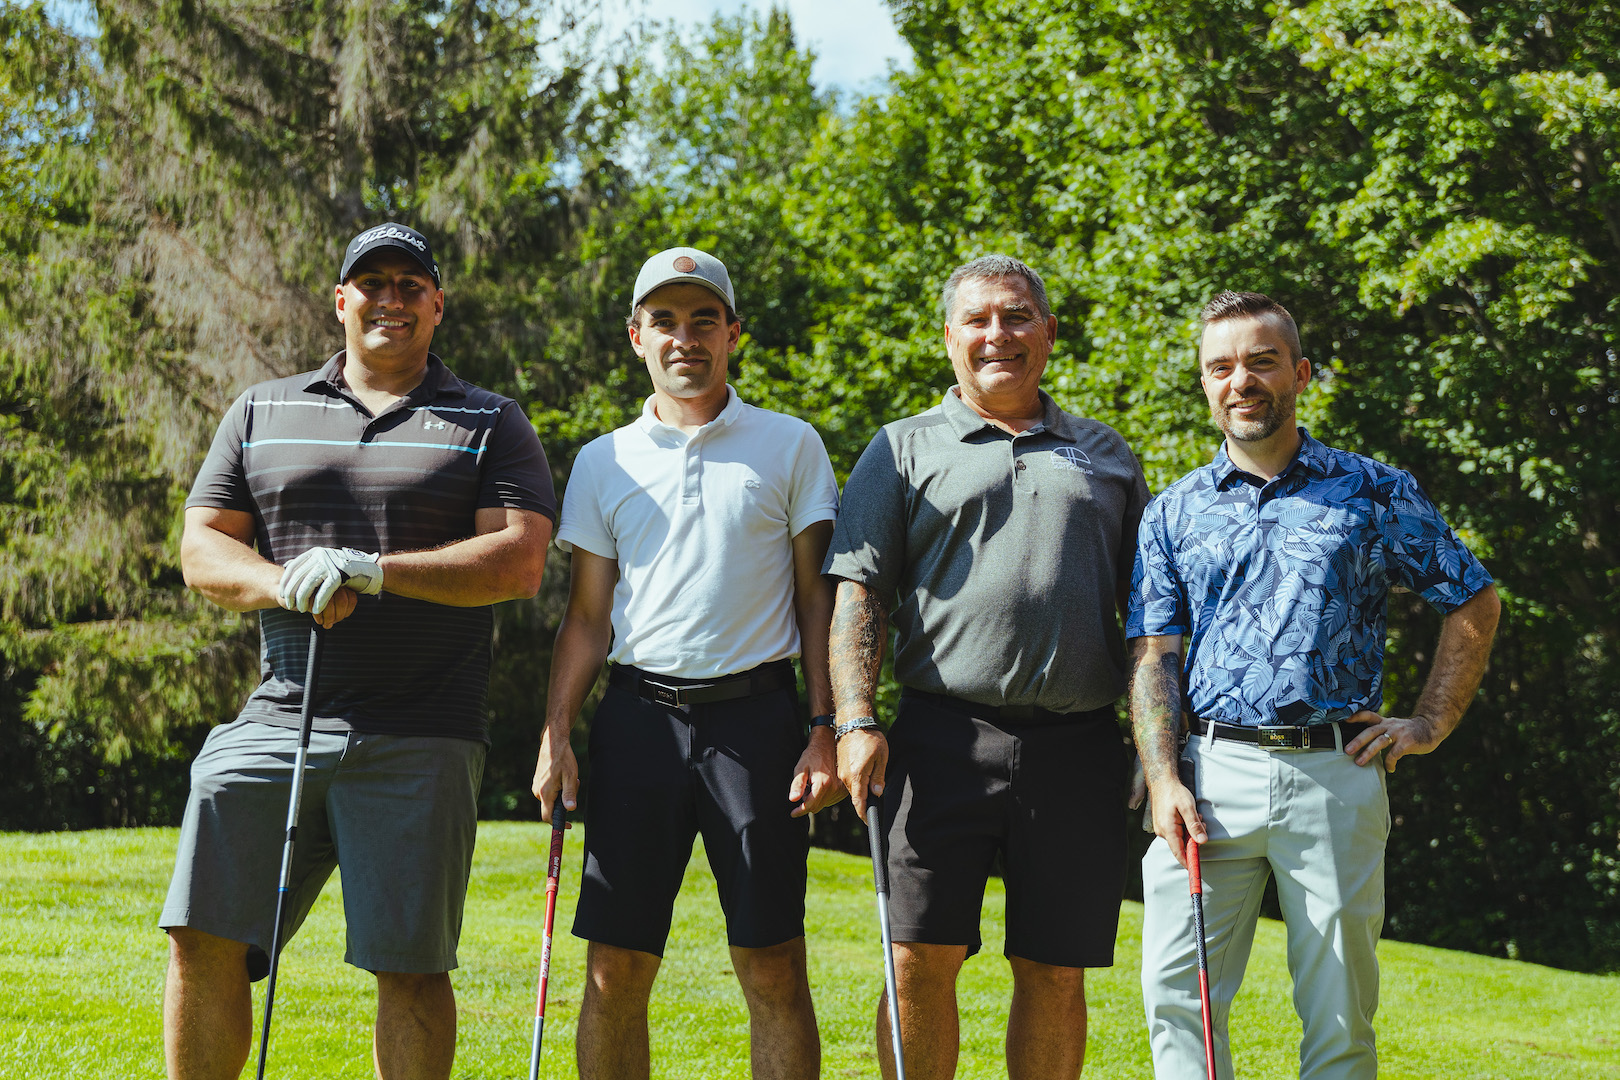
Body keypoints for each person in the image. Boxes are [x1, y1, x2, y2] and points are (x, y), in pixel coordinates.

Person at [163, 222, 556, 1080]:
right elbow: (201, 549)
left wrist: (376, 571)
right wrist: (282, 583)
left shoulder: (491, 420)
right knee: (201, 933)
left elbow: (521, 561)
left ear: (438, 305)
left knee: (409, 968)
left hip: (424, 731)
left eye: (411, 286)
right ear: (340, 300)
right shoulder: (262, 410)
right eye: (372, 284)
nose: (390, 300)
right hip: (280, 720)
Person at [1128, 290, 1501, 1079]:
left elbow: (1472, 598)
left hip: (1335, 775)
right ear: (1205, 383)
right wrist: (1161, 777)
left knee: (1338, 1014)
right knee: (1178, 997)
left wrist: (1429, 722)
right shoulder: (1173, 511)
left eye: (1261, 362)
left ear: (1300, 374)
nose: (1241, 380)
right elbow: (1155, 655)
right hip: (1208, 780)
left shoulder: (1374, 491)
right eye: (1221, 367)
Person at [826, 254, 1149, 1080]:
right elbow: (861, 595)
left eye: (1015, 316)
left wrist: (1158, 746)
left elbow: (1151, 620)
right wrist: (855, 720)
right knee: (916, 959)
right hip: (941, 740)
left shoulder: (1106, 453)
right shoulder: (900, 448)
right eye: (976, 319)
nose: (996, 334)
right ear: (949, 337)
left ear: (1049, 331)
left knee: (1055, 970)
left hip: (1078, 747)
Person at [530, 246, 842, 1080]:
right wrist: (556, 734)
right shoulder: (603, 459)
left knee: (773, 965)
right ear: (637, 336)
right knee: (614, 969)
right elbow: (587, 617)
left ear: (733, 333)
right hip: (639, 723)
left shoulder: (791, 444)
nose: (685, 338)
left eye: (704, 320)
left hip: (758, 725)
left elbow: (818, 600)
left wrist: (826, 728)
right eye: (664, 321)